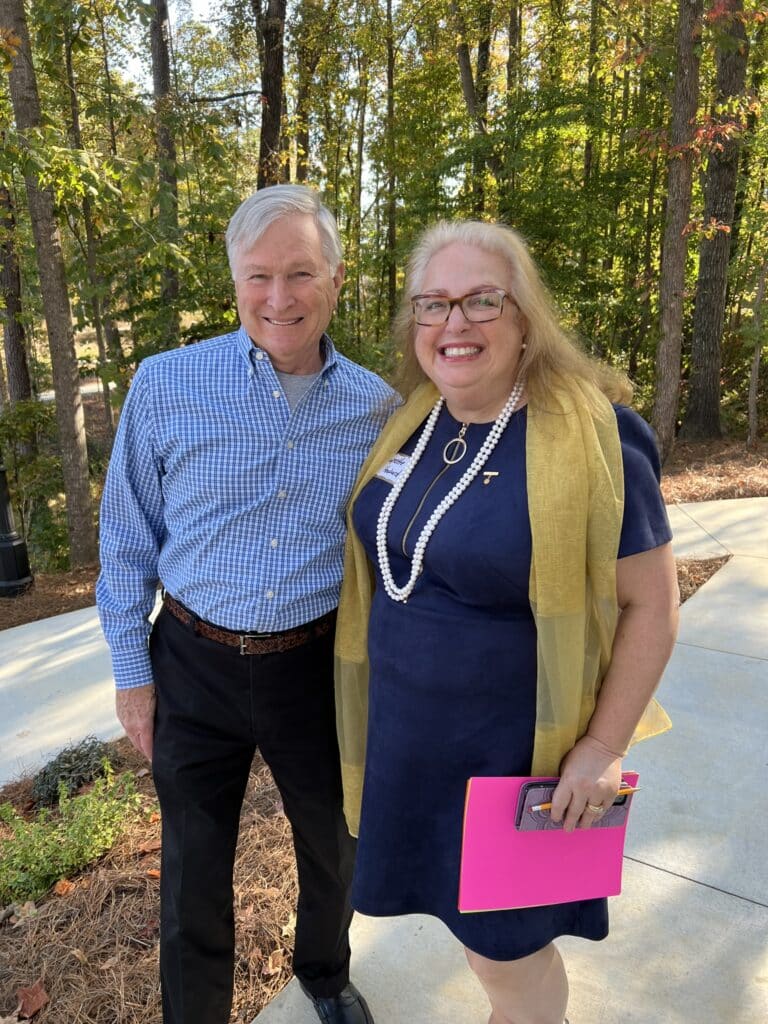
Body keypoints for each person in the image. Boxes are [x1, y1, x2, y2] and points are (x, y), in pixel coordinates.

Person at [333, 220, 679, 1024]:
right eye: (433, 304)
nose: (455, 324)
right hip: (413, 742)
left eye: (482, 300)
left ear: (525, 317)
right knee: (474, 940)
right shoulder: (415, 422)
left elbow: (652, 606)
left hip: (515, 753)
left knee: (507, 953)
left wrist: (602, 747)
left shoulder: (596, 434)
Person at [96, 184, 398, 1024]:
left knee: (336, 843)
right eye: (258, 275)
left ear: (335, 279)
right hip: (192, 663)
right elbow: (125, 542)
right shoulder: (165, 385)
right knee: (193, 867)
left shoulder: (376, 407)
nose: (278, 298)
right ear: (233, 279)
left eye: (300, 273)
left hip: (315, 664)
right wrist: (132, 675)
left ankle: (326, 976)